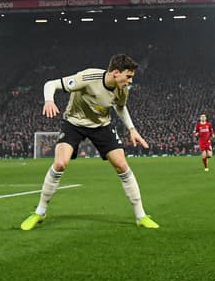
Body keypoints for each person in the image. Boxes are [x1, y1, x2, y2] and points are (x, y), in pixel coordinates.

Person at [19, 53, 159, 230]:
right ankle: (40, 212)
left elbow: (120, 107)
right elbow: (51, 84)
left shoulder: (122, 89)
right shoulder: (88, 77)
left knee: (122, 166)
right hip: (74, 123)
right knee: (60, 163)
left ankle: (141, 216)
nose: (130, 81)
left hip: (101, 126)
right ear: (116, 73)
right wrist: (49, 100)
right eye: (128, 76)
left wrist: (132, 129)